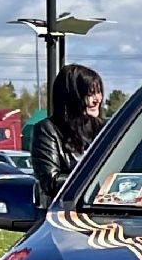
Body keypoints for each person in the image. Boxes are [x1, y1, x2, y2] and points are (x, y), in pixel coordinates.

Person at [32, 63, 105, 200]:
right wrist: (95, 181)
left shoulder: (105, 128)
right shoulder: (48, 129)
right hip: (64, 212)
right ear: (71, 97)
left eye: (99, 92)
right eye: (90, 94)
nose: (97, 99)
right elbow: (51, 182)